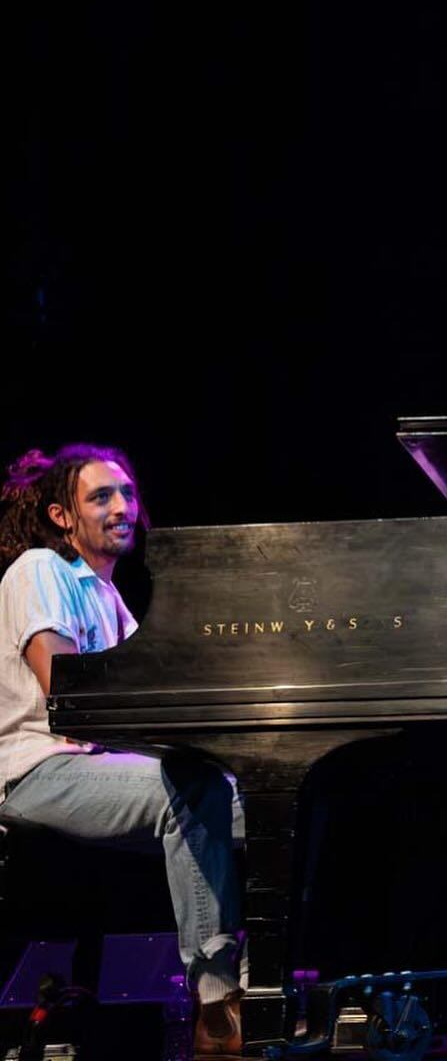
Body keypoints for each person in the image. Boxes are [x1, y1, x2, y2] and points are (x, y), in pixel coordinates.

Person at [0, 444, 244, 1057]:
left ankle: (266, 981)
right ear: (62, 516)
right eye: (101, 496)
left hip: (97, 766)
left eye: (128, 493)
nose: (122, 507)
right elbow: (69, 697)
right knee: (195, 788)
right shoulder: (40, 569)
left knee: (260, 804)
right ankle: (217, 1000)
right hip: (37, 771)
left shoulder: (109, 597)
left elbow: (157, 702)